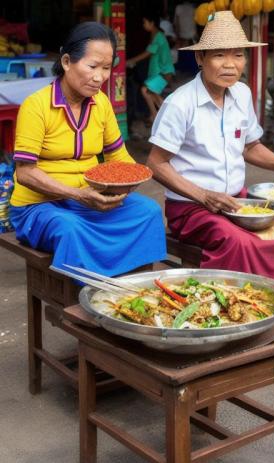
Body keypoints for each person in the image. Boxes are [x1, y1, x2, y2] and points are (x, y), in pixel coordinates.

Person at [147, 11, 274, 283]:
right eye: (219, 55)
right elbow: (155, 163)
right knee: (240, 243)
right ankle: (231, 307)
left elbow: (250, 147)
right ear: (200, 58)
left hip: (238, 201)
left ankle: (266, 294)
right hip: (191, 210)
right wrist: (204, 195)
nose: (230, 65)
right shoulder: (180, 104)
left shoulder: (242, 93)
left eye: (238, 55)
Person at [10, 22, 166, 277]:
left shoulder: (101, 103)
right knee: (70, 228)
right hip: (38, 206)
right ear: (67, 61)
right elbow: (26, 172)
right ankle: (78, 304)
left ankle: (134, 284)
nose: (99, 77)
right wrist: (78, 195)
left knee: (148, 211)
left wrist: (134, 177)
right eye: (92, 66)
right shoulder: (35, 106)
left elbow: (117, 155)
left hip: (87, 199)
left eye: (106, 68)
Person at [126, 12, 175, 124]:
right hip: (159, 72)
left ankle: (158, 116)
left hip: (163, 72)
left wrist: (131, 61)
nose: (143, 25)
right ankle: (160, 116)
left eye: (145, 22)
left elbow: (148, 53)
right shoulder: (155, 35)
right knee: (151, 94)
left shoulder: (158, 36)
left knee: (146, 90)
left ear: (152, 23)